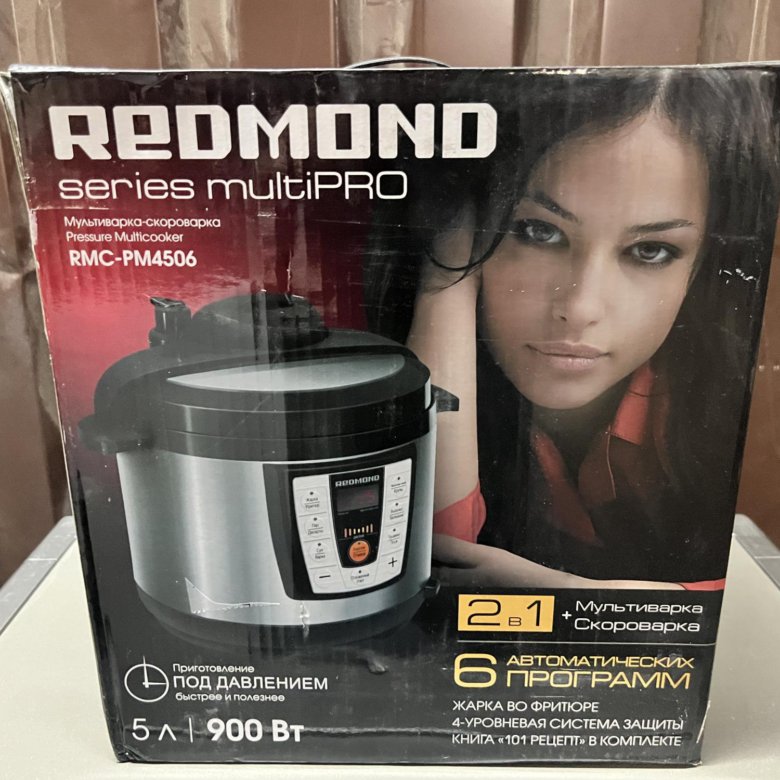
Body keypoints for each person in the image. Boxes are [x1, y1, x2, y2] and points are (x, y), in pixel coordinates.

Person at [365, 69, 780, 589]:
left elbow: (702, 611)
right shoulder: (406, 355)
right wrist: (445, 279)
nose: (580, 309)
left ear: (699, 268)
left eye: (650, 250)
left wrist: (570, 596)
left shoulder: (703, 404)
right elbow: (427, 555)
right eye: (537, 231)